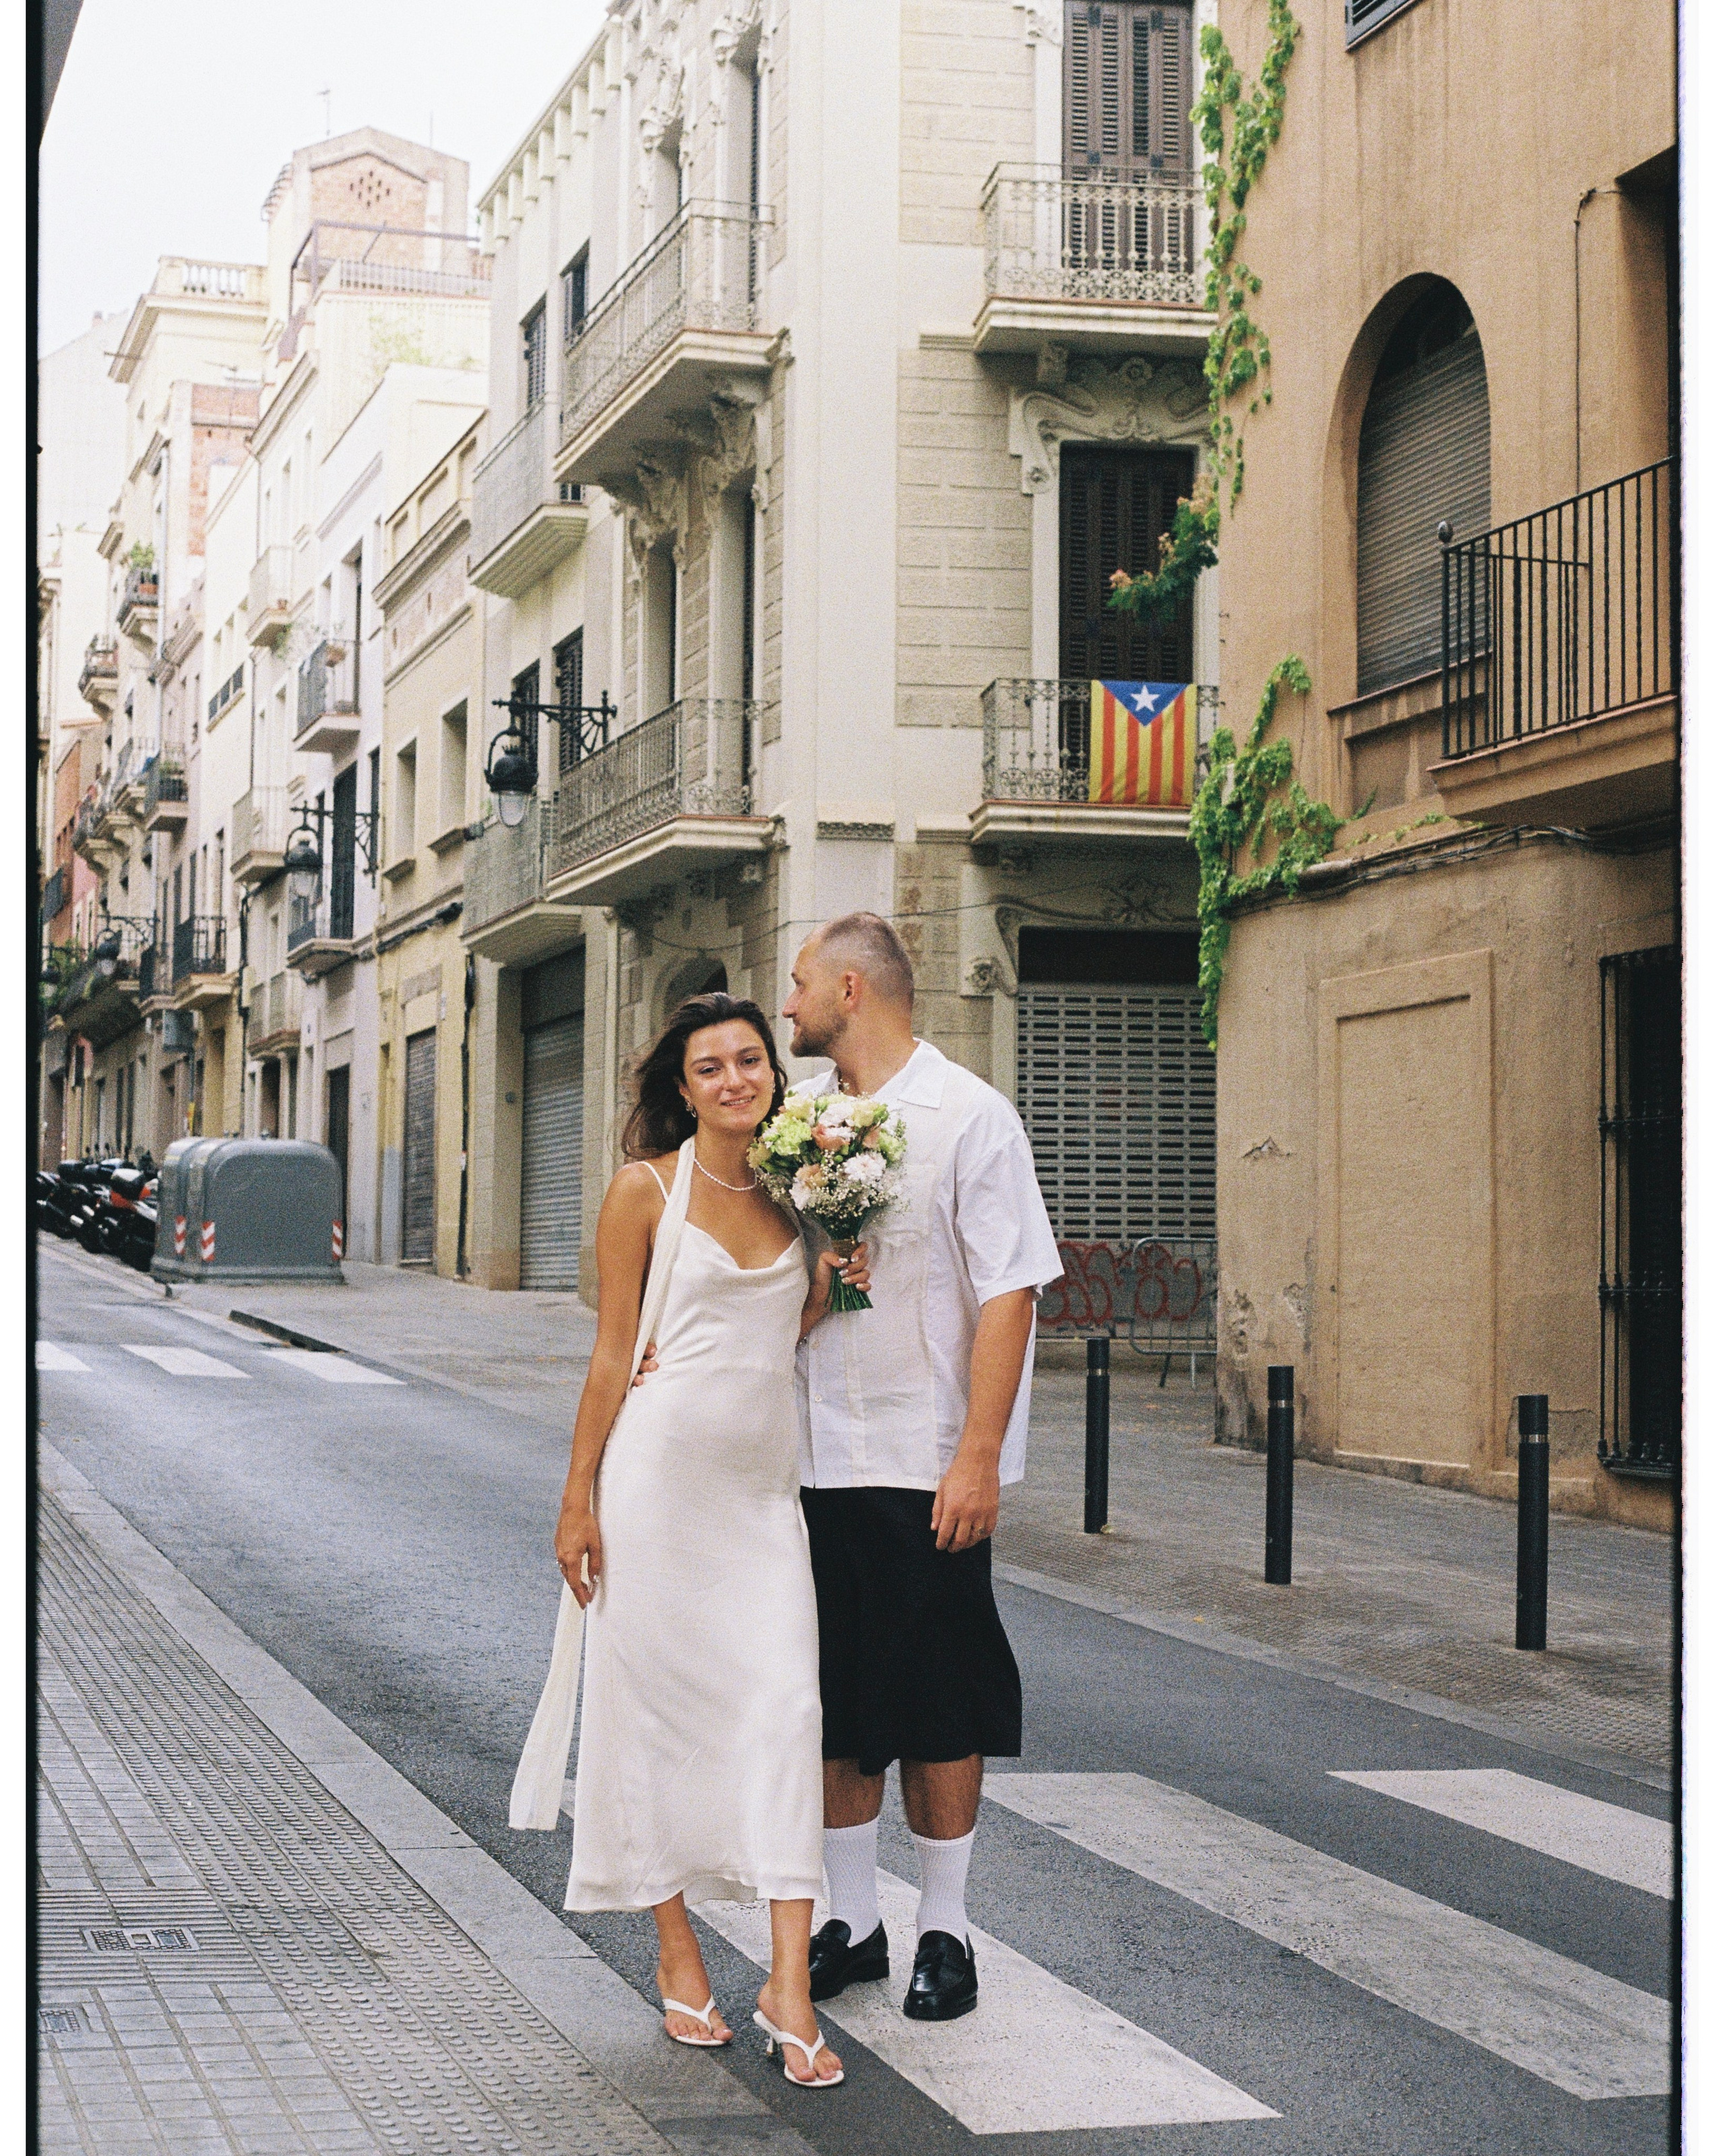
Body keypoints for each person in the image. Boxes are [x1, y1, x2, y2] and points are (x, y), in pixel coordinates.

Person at [524, 992, 868, 2089]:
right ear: (683, 1087)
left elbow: (786, 1327)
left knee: (783, 1714)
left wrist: (835, 1282)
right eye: (710, 1067)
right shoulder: (646, 1192)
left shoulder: (802, 1184)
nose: (734, 1080)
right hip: (658, 1493)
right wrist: (577, 1497)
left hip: (766, 1499)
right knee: (656, 1722)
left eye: (750, 1062)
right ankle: (678, 1955)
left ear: (774, 1073)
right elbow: (612, 1354)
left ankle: (787, 1986)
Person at [781, 914, 1063, 2022]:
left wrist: (978, 1457)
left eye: (801, 983)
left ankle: (947, 1932)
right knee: (838, 1700)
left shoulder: (970, 1118)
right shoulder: (803, 1125)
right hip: (815, 1456)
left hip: (923, 1457)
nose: (787, 1000)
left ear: (852, 990)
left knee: (938, 1701)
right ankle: (853, 1923)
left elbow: (1012, 1290)